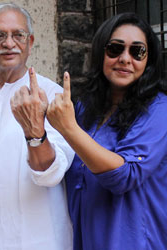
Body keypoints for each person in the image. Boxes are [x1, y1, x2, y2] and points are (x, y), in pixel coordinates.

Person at [47, 12, 167, 250]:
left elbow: (126, 174)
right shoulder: (84, 109)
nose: (125, 58)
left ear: (148, 60)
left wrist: (69, 128)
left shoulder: (159, 109)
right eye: (115, 49)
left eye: (137, 51)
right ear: (101, 52)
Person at [0, 2, 74, 250]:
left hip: (37, 240)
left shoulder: (53, 96)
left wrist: (35, 133)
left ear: (30, 42)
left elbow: (52, 174)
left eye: (18, 35)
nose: (9, 43)